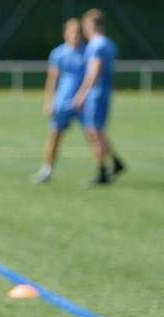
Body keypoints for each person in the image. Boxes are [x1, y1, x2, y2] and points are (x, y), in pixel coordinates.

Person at [72, 8, 126, 185]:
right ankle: (116, 163)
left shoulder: (97, 45)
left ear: (91, 25)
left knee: (93, 131)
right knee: (96, 130)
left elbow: (94, 73)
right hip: (103, 92)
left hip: (97, 93)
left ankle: (102, 171)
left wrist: (81, 94)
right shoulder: (109, 44)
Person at [33, 19, 85, 184]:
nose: (76, 36)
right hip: (63, 102)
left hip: (84, 102)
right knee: (55, 135)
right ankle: (47, 170)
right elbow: (52, 80)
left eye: (78, 32)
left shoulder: (88, 52)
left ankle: (103, 169)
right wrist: (49, 102)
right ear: (66, 34)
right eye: (73, 32)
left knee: (94, 134)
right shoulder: (58, 54)